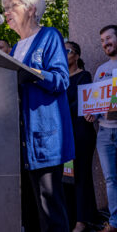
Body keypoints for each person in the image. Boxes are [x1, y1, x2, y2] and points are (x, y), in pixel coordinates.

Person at [1, 0, 75, 232]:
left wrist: (33, 74)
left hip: (44, 136)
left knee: (49, 206)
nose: (6, 12)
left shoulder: (49, 36)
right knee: (29, 210)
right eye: (5, 8)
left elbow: (62, 80)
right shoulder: (15, 48)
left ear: (31, 10)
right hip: (19, 141)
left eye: (12, 6)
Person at [85, 25, 117, 232]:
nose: (105, 43)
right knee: (110, 179)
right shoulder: (101, 70)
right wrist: (91, 113)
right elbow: (94, 101)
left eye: (108, 38)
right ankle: (115, 222)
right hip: (104, 133)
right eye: (102, 41)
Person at [65, 41, 97, 232]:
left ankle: (82, 221)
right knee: (66, 176)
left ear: (76, 56)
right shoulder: (59, 78)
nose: (63, 53)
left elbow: (81, 103)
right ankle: (70, 218)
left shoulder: (84, 76)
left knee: (81, 176)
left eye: (67, 50)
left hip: (81, 133)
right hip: (64, 134)